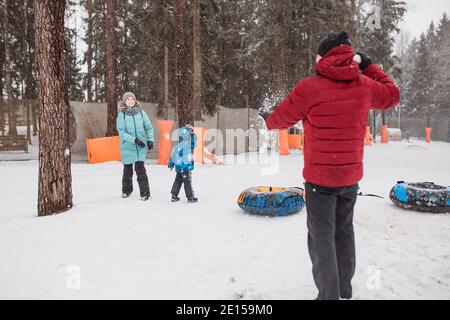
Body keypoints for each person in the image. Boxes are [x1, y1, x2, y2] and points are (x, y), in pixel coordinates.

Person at [259, 31, 400, 300]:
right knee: (343, 231)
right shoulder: (365, 85)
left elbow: (283, 118)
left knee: (321, 236)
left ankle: (329, 296)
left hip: (319, 180)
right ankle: (343, 290)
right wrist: (369, 66)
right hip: (349, 178)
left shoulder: (310, 87)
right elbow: (392, 94)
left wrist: (268, 119)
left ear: (324, 57)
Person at [116, 92, 154, 201]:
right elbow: (121, 132)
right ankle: (126, 191)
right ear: (125, 101)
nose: (130, 101)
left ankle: (145, 192)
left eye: (132, 99)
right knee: (127, 170)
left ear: (135, 100)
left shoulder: (141, 113)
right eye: (128, 99)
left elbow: (149, 128)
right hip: (127, 146)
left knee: (140, 169)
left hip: (140, 146)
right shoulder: (122, 115)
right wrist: (134, 140)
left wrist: (150, 139)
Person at [168, 125, 198, 203]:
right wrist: (192, 134)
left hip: (178, 167)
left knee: (178, 180)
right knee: (187, 181)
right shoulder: (189, 145)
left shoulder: (177, 146)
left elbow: (173, 155)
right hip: (186, 167)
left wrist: (171, 164)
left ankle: (174, 195)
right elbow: (194, 142)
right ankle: (190, 197)